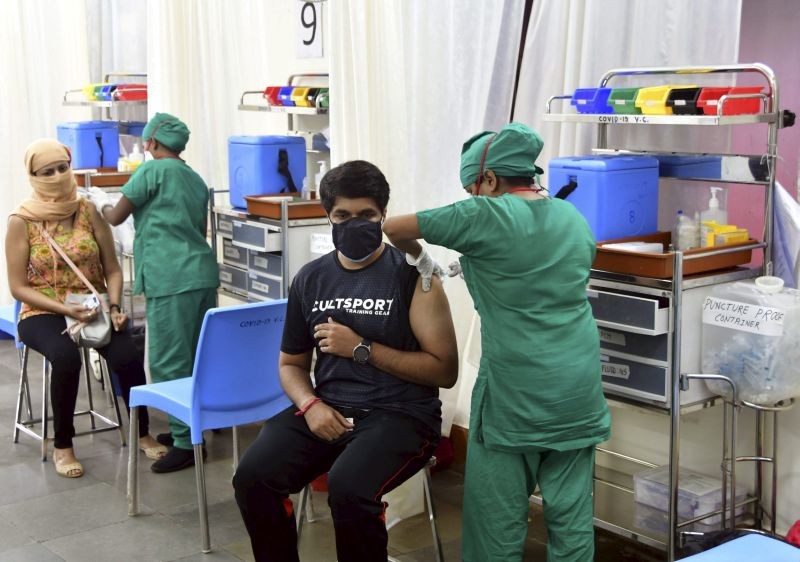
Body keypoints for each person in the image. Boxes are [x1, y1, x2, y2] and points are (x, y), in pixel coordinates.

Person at [383, 122, 611, 562]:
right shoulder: (573, 218)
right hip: (578, 388)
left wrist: (420, 255)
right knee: (572, 520)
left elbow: (394, 227)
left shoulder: (484, 215)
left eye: (473, 187)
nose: (473, 196)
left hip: (516, 394)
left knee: (497, 526)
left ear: (488, 179)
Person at [232, 160, 459, 562]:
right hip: (331, 408)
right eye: (342, 215)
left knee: (350, 488)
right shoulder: (311, 278)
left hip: (402, 414)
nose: (355, 224)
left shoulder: (414, 276)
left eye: (366, 215)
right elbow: (291, 365)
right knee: (253, 478)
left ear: (384, 215)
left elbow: (444, 370)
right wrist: (310, 404)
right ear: (328, 216)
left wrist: (361, 348)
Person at [6, 139, 166, 478]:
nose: (58, 176)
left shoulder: (87, 210)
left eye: (63, 167)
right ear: (34, 176)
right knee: (65, 357)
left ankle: (141, 431)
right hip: (42, 312)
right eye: (47, 172)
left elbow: (112, 269)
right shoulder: (22, 220)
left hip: (93, 308)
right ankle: (63, 444)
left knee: (127, 354)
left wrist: (114, 305)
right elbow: (18, 287)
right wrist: (63, 307)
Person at [89, 113, 220, 473]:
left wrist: (98, 201)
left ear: (150, 143)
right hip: (201, 273)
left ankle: (185, 442)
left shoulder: (150, 171)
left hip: (171, 277)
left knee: (169, 360)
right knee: (196, 355)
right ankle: (193, 423)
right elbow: (200, 229)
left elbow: (116, 217)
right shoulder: (195, 179)